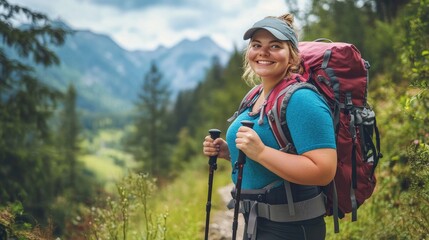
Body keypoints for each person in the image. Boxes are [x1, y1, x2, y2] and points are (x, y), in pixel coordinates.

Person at [202, 13, 337, 240]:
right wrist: (230, 152)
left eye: (275, 46)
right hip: (258, 223)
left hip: (292, 228)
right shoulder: (255, 96)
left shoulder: (302, 100)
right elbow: (274, 149)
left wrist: (261, 152)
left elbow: (324, 171)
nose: (263, 52)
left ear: (292, 57)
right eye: (257, 45)